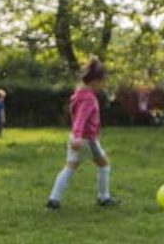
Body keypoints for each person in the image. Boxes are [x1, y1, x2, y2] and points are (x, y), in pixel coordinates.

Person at [46, 59, 116, 209]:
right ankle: (104, 197)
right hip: (87, 139)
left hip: (77, 138)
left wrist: (75, 136)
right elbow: (80, 119)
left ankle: (54, 198)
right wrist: (78, 136)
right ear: (95, 81)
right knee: (105, 166)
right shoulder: (89, 98)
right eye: (102, 82)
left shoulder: (79, 94)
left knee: (70, 167)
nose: (103, 86)